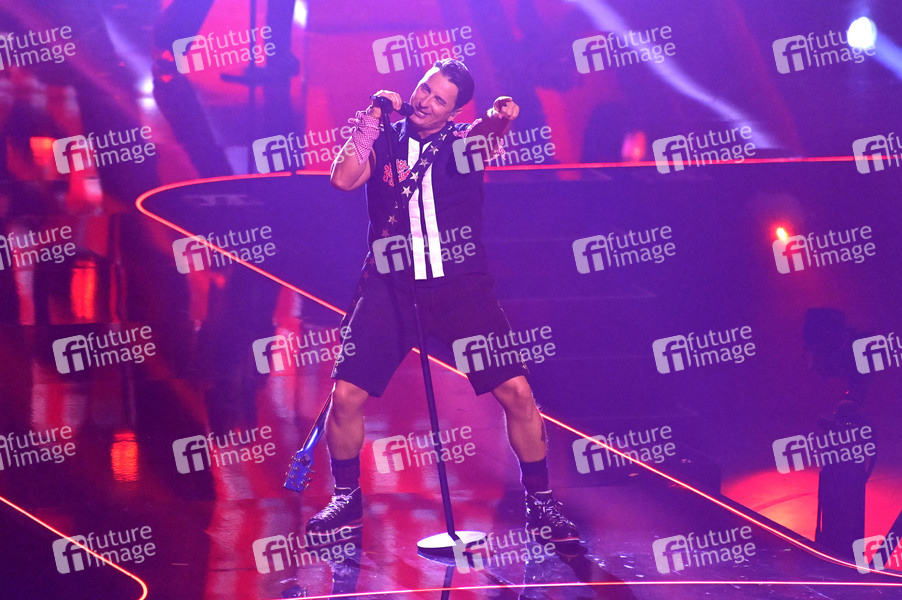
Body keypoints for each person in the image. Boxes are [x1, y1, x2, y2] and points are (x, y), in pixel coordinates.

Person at [307, 58, 578, 544]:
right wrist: (372, 117)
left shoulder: (463, 144)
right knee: (345, 398)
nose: (425, 103)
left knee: (517, 393)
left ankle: (540, 503)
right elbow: (343, 179)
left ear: (454, 111)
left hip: (461, 289)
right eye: (424, 90)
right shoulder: (384, 137)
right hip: (390, 289)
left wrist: (501, 118)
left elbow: (487, 137)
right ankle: (346, 501)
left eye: (439, 100)